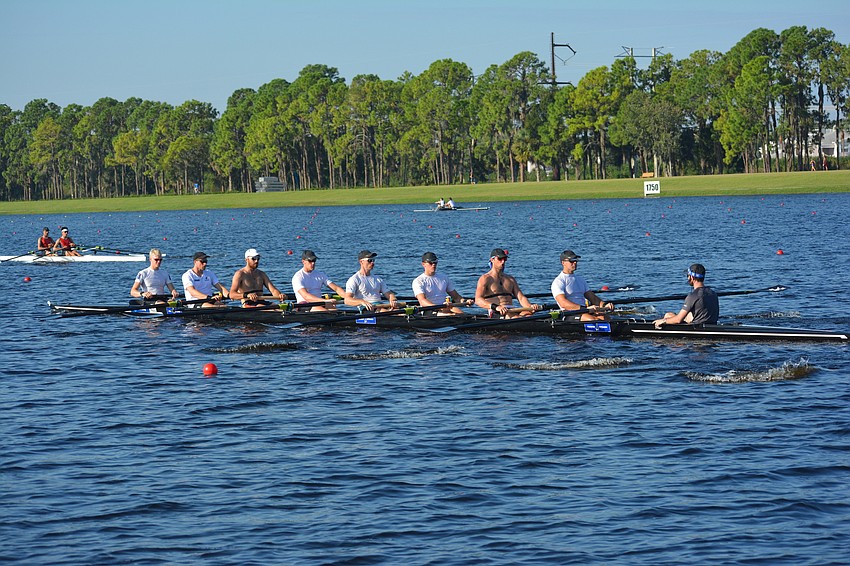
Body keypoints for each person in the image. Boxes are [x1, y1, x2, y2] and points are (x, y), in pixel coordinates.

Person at [474, 248, 542, 318]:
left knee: (528, 314)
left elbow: (521, 298)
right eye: (500, 259)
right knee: (516, 318)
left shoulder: (510, 279)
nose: (503, 262)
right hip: (497, 311)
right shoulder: (485, 279)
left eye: (505, 259)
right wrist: (496, 307)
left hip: (512, 310)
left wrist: (530, 306)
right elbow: (478, 300)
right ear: (492, 260)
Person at [551, 249, 613, 321]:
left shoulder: (580, 280)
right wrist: (586, 309)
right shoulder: (558, 281)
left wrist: (605, 305)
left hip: (584, 311)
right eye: (571, 261)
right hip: (568, 313)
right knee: (592, 320)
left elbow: (593, 298)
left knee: (605, 318)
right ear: (563, 263)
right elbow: (563, 303)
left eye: (576, 260)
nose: (574, 262)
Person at [654, 263, 719, 328]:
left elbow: (678, 320)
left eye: (688, 275)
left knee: (667, 316)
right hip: (712, 325)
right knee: (670, 315)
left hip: (697, 328)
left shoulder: (693, 296)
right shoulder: (713, 293)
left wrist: (663, 321)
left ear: (692, 277)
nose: (687, 277)